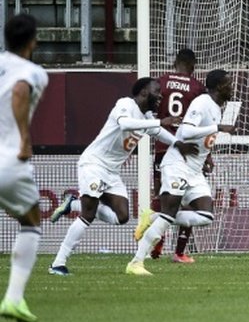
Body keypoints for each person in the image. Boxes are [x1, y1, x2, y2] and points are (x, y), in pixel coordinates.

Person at [48, 78, 190, 275]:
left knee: (121, 216)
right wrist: (159, 121)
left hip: (112, 173)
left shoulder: (146, 116)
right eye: (157, 91)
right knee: (88, 215)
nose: (160, 95)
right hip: (94, 164)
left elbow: (157, 132)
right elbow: (125, 125)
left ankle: (73, 203)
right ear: (143, 92)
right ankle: (58, 263)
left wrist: (177, 143)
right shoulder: (125, 104)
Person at [130, 69, 236, 275]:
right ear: (217, 86)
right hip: (177, 164)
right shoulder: (202, 102)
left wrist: (206, 157)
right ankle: (136, 262)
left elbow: (201, 137)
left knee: (206, 215)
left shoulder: (215, 107)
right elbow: (186, 131)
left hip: (194, 170)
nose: (232, 87)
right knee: (169, 214)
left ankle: (151, 218)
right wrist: (218, 127)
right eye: (228, 83)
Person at [0, 15, 48, 322]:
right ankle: (13, 299)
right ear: (33, 41)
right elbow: (19, 92)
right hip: (8, 159)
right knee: (31, 221)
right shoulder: (34, 73)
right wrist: (25, 139)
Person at [146, 47, 207, 262]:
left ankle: (157, 242)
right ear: (193, 65)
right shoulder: (197, 87)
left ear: (175, 63)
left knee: (162, 198)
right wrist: (207, 156)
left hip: (163, 147)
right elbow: (202, 122)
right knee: (189, 200)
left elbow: (150, 112)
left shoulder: (160, 82)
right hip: (187, 149)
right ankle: (180, 252)